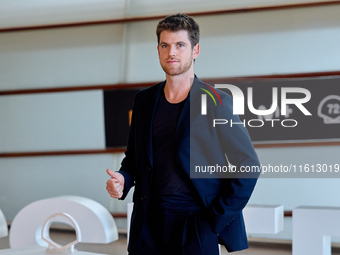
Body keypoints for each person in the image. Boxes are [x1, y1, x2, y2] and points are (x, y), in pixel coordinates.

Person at [106, 13, 260, 255]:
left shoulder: (217, 101)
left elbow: (248, 164)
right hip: (149, 223)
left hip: (196, 224)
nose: (172, 53)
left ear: (195, 50)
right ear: (158, 50)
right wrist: (123, 179)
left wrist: (215, 219)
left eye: (180, 45)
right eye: (165, 46)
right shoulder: (144, 100)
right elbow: (134, 159)